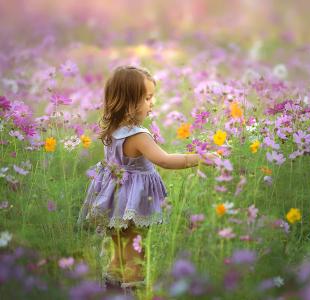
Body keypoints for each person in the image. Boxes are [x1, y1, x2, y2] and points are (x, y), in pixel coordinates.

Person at [77, 65, 218, 290]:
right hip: (133, 202)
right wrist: (202, 157)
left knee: (119, 252)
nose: (152, 102)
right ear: (129, 102)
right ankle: (132, 292)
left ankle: (111, 290)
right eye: (148, 98)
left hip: (115, 200)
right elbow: (164, 160)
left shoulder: (112, 130)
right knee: (136, 253)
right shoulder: (138, 136)